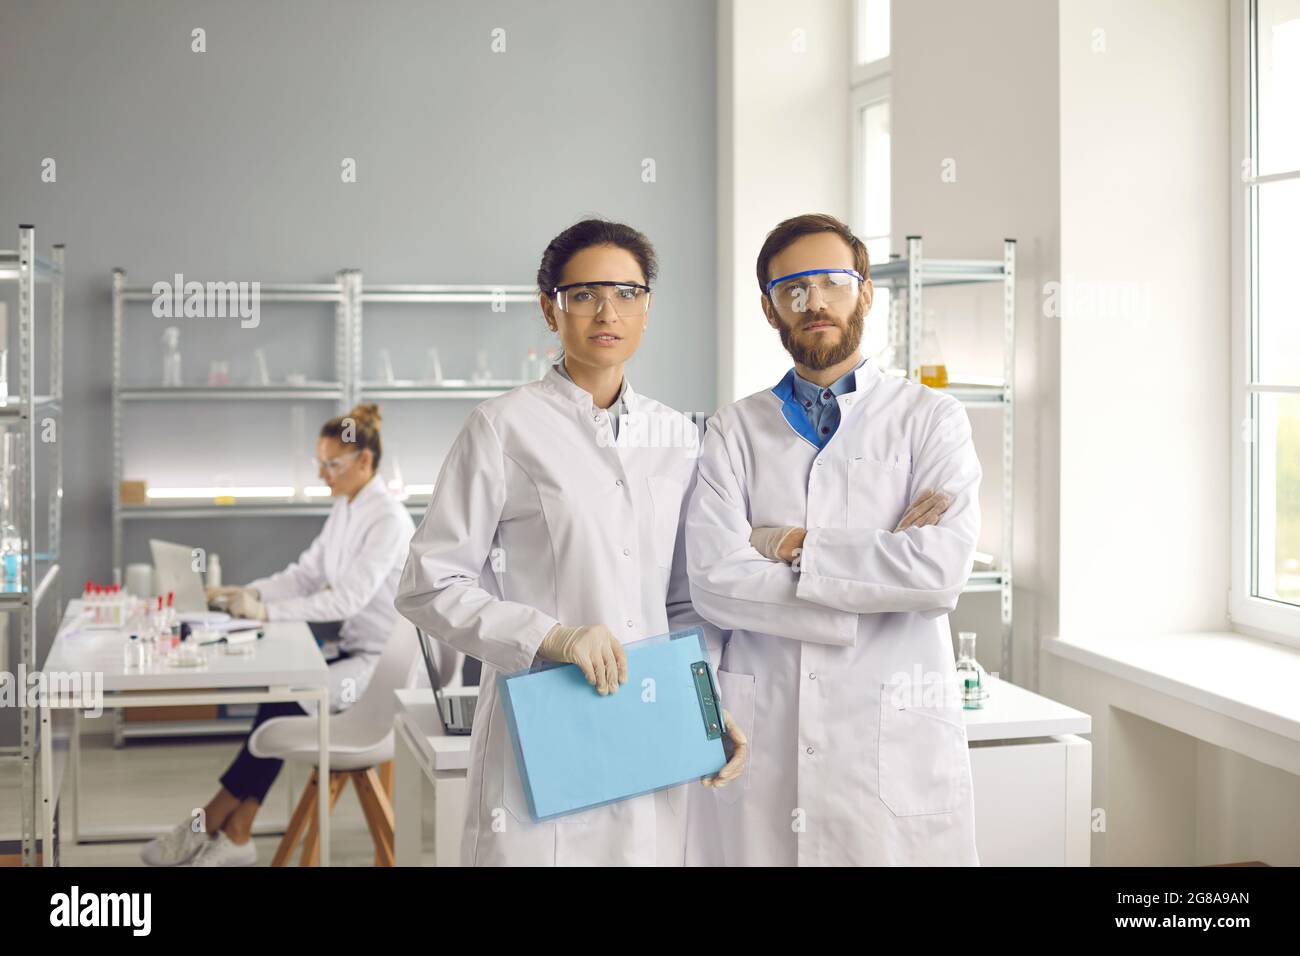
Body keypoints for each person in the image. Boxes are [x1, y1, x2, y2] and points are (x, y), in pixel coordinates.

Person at [395, 218, 746, 866]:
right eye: (583, 294)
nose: (606, 311)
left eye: (627, 293)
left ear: (648, 308)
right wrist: (553, 637)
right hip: (542, 725)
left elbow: (685, 599)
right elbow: (427, 583)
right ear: (549, 309)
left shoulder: (680, 437)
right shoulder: (503, 428)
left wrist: (704, 705)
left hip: (649, 726)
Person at [685, 213, 981, 866]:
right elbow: (712, 582)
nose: (813, 301)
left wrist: (787, 541)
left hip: (890, 747)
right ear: (769, 309)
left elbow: (938, 575)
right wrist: (878, 574)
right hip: (769, 740)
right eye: (792, 288)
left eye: (831, 282)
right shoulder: (732, 431)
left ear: (867, 293)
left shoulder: (931, 419)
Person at [140, 403, 416, 866]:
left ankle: (211, 822)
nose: (323, 474)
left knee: (285, 698)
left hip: (378, 669)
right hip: (352, 651)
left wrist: (265, 612)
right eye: (319, 463)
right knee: (280, 693)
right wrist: (245, 591)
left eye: (333, 464)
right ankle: (236, 829)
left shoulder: (386, 519)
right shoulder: (347, 508)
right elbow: (304, 575)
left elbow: (345, 600)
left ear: (364, 462)